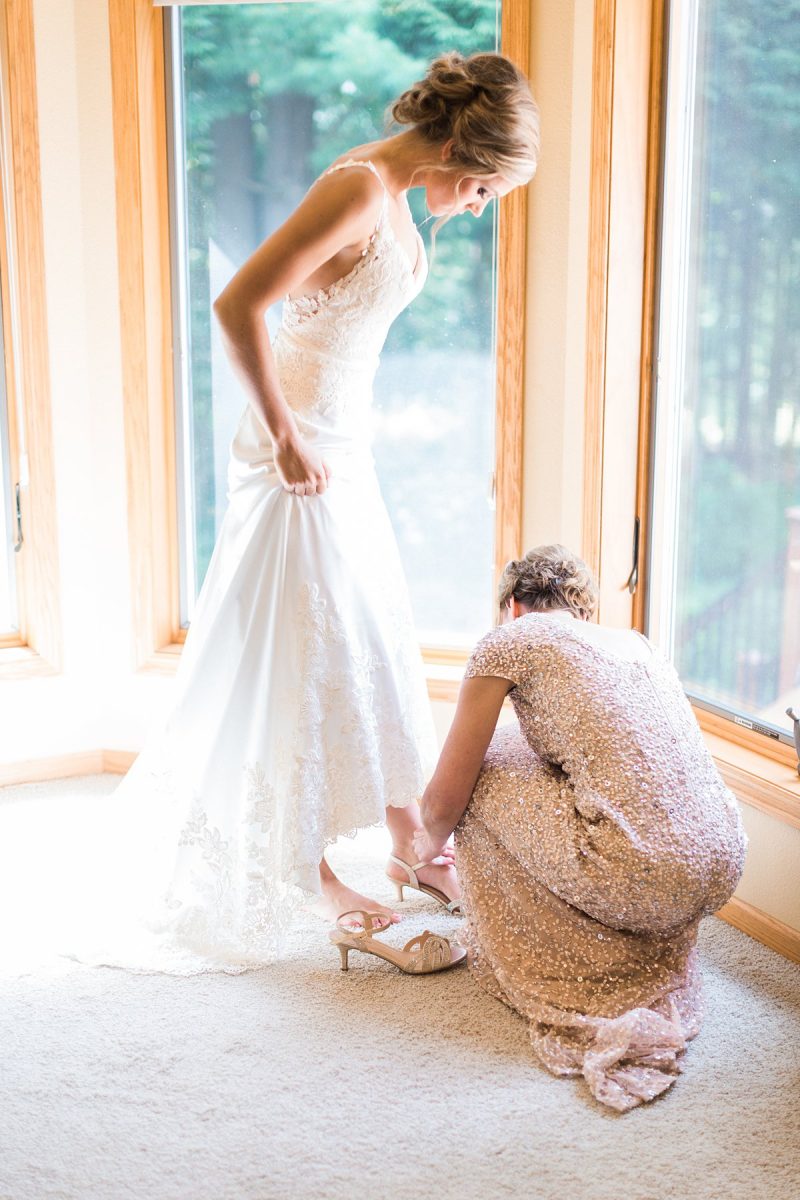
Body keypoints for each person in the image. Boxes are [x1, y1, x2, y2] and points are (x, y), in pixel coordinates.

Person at [86, 52, 540, 973]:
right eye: (487, 185)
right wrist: (285, 436)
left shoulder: (401, 199)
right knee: (299, 647)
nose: (484, 205)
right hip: (296, 448)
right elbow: (239, 300)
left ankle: (413, 839)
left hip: (342, 443)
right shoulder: (360, 190)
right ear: (459, 145)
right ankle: (306, 869)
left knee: (369, 636)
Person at [415, 544, 747, 1111]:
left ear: (512, 608)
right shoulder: (637, 643)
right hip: (722, 863)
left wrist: (424, 847)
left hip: (637, 871)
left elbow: (442, 804)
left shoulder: (510, 640)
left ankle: (559, 950)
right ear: (581, 610)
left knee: (484, 761)